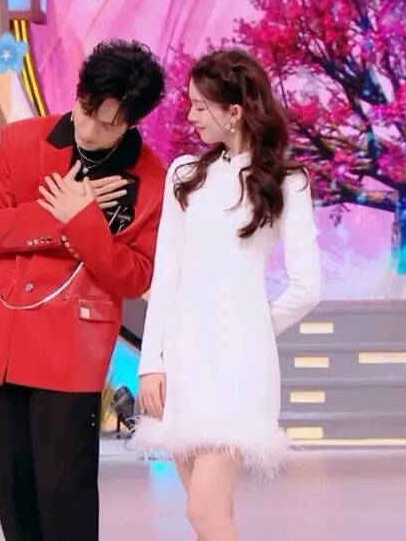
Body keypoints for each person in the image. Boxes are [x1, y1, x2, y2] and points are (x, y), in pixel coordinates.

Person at [0, 39, 167, 541]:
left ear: (133, 122)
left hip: (73, 347)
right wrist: (57, 216)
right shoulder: (23, 140)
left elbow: (135, 276)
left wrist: (83, 219)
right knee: (15, 491)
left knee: (64, 492)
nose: (90, 129)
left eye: (108, 124)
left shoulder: (151, 178)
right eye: (86, 111)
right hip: (6, 334)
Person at [131, 48, 322, 540]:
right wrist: (152, 362)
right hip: (183, 361)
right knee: (211, 515)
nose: (191, 116)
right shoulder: (185, 176)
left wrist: (251, 328)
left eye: (200, 106)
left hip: (238, 366)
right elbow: (166, 276)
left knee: (205, 512)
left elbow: (307, 286)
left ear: (234, 111)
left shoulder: (287, 182)